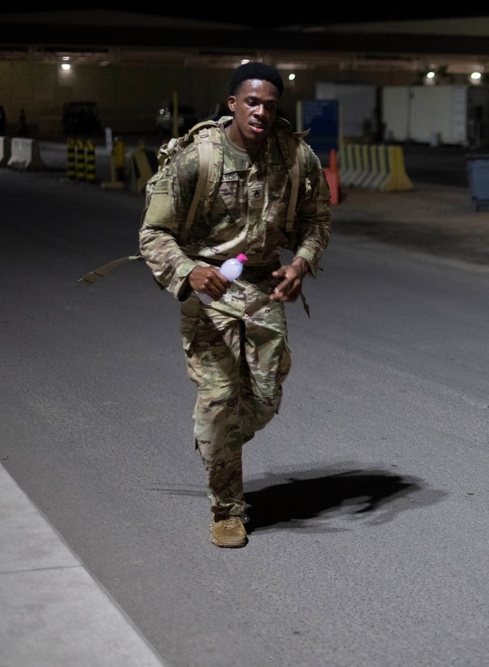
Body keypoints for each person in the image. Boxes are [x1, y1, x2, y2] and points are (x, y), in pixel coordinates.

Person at [138, 62, 332, 548]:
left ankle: (213, 436)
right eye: (251, 102)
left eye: (269, 104)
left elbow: (317, 222)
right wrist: (188, 272)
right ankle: (227, 510)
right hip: (209, 292)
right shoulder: (196, 158)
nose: (261, 112)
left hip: (264, 287)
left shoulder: (295, 157)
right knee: (222, 396)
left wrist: (301, 263)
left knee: (264, 399)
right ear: (232, 104)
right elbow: (153, 233)